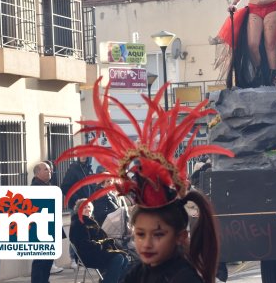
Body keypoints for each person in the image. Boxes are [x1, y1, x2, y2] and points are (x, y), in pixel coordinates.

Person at [56, 78, 234, 283]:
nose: (146, 243)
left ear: (180, 237)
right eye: (140, 234)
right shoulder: (137, 275)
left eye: (158, 235)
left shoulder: (187, 278)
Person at [69, 199, 129, 283]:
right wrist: (102, 244)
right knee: (118, 258)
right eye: (84, 207)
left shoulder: (91, 221)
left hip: (98, 252)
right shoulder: (78, 223)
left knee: (125, 258)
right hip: (88, 255)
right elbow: (84, 244)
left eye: (89, 207)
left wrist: (109, 244)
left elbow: (103, 237)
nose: (87, 209)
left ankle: (106, 280)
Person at [61, 156, 96, 269]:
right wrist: (76, 199)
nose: (83, 156)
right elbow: (65, 187)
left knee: (88, 232)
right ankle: (73, 258)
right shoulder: (73, 169)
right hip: (77, 206)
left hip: (89, 206)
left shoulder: (89, 169)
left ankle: (86, 257)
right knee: (77, 231)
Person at [30, 162, 55, 283]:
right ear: (37, 173)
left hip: (48, 228)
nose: (49, 171)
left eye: (50, 169)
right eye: (46, 169)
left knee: (48, 261)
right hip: (41, 230)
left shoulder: (46, 185)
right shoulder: (36, 187)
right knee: (40, 261)